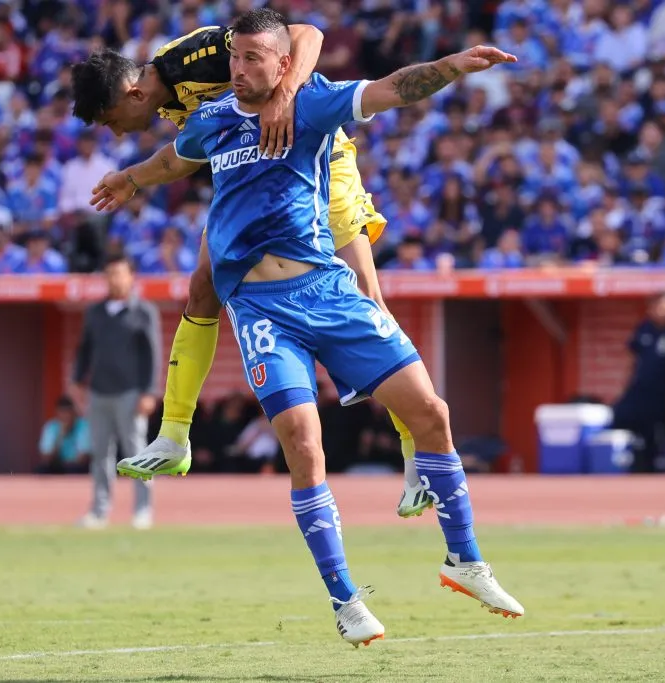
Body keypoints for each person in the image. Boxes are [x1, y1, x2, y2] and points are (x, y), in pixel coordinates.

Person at [90, 9, 522, 646]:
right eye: (234, 60)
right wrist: (129, 178)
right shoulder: (209, 119)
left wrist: (452, 68)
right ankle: (347, 599)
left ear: (284, 63)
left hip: (327, 291)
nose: (238, 71)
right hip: (263, 311)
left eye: (253, 60)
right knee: (302, 440)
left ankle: (465, 562)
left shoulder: (313, 105)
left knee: (432, 413)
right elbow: (171, 162)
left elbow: (389, 88)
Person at [71, 19, 434, 518]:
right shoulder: (174, 100)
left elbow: (306, 33)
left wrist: (285, 94)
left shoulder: (190, 57)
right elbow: (182, 157)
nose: (115, 132)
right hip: (252, 186)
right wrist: (132, 179)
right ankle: (174, 436)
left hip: (318, 168)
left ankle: (418, 459)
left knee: (368, 300)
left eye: (110, 120)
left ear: (133, 95)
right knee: (201, 289)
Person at [71, 254, 161, 530]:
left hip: (130, 393)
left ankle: (143, 510)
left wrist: (149, 392)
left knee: (137, 453)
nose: (115, 279)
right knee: (100, 454)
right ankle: (99, 511)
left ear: (132, 277)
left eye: (120, 273)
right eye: (109, 274)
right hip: (99, 392)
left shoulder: (144, 311)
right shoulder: (95, 312)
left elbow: (153, 354)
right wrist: (77, 381)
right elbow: (84, 349)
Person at [612, 293, 665, 473]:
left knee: (656, 442)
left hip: (660, 395)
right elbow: (631, 358)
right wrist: (625, 384)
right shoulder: (643, 328)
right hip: (636, 393)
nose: (662, 310)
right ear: (650, 307)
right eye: (659, 305)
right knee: (620, 424)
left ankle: (654, 480)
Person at [37, 396, 92, 474]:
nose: (65, 417)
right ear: (57, 414)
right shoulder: (51, 427)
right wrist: (60, 436)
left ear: (74, 413)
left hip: (76, 467)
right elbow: (46, 458)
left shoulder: (83, 426)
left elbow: (83, 458)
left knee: (76, 469)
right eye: (62, 413)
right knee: (41, 469)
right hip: (58, 466)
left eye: (68, 413)